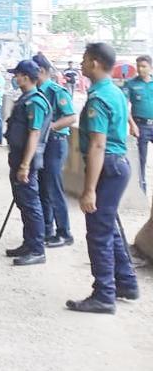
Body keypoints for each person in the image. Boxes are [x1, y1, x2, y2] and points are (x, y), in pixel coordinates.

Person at [67, 43, 140, 314]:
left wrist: (88, 190)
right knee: (109, 227)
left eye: (85, 60)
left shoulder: (98, 98)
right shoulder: (114, 90)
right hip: (118, 166)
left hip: (106, 167)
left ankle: (104, 295)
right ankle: (126, 283)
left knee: (98, 233)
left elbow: (97, 145)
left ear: (95, 63)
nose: (82, 65)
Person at [3, 60, 52, 267]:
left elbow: (34, 133)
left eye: (17, 75)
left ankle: (37, 249)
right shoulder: (25, 99)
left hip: (26, 160)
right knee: (23, 202)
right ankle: (28, 242)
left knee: (31, 204)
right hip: (18, 157)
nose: (15, 78)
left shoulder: (35, 102)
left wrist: (25, 165)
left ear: (25, 77)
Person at [33, 53, 77, 247]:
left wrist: (49, 127)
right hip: (41, 144)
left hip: (55, 142)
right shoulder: (36, 91)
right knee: (42, 187)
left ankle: (64, 232)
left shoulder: (56, 91)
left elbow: (71, 117)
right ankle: (46, 229)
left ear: (41, 71)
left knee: (54, 188)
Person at [122, 55, 153, 194]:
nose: (140, 69)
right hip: (140, 126)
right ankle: (141, 190)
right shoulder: (131, 84)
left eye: (144, 66)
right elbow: (124, 105)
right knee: (140, 159)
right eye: (138, 66)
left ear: (150, 67)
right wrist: (132, 124)